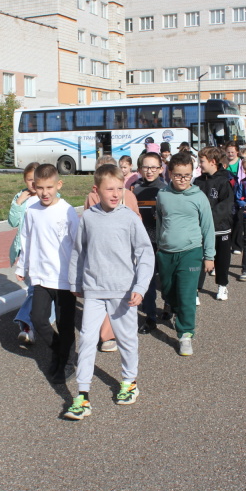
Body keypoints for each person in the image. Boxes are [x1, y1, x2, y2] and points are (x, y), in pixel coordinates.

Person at [65, 164, 155, 420]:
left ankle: (129, 382)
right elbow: (78, 252)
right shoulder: (89, 217)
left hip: (123, 291)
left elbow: (145, 254)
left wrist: (140, 287)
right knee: (87, 340)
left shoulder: (129, 218)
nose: (116, 194)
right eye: (110, 189)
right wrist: (75, 283)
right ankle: (82, 396)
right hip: (93, 290)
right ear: (96, 190)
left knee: (127, 339)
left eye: (120, 188)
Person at [15, 164, 79, 384]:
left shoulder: (68, 210)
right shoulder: (32, 210)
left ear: (58, 184)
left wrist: (78, 276)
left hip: (64, 279)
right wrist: (22, 267)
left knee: (65, 324)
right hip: (41, 276)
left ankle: (68, 362)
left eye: (49, 187)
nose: (45, 192)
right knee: (38, 319)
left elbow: (79, 244)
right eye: (40, 187)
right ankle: (60, 351)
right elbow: (26, 239)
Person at [156, 152, 215, 356]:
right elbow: (160, 222)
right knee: (168, 291)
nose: (182, 180)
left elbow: (208, 227)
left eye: (187, 175)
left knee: (187, 293)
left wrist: (209, 256)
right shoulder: (163, 195)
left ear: (192, 174)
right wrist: (158, 246)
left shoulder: (199, 197)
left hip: (191, 252)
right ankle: (174, 307)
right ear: (170, 173)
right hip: (166, 253)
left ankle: (186, 333)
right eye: (178, 175)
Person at [83, 156, 140, 352]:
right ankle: (105, 333)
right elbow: (89, 224)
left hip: (123, 255)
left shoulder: (129, 196)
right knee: (102, 293)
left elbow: (136, 220)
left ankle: (110, 334)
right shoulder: (91, 198)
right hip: (100, 256)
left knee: (117, 297)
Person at [132, 152, 168, 334]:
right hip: (142, 242)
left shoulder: (166, 189)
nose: (149, 171)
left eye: (154, 167)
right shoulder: (133, 188)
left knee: (167, 281)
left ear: (161, 169)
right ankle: (150, 317)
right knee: (147, 281)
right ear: (139, 169)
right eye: (146, 167)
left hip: (162, 241)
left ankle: (169, 305)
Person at [194, 147, 234, 302]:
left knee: (222, 259)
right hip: (201, 229)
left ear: (212, 162)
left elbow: (226, 204)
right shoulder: (198, 181)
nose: (200, 164)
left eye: (202, 161)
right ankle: (196, 290)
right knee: (199, 259)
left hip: (220, 228)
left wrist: (209, 220)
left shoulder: (224, 181)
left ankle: (222, 285)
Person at [8, 162, 40, 345]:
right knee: (34, 289)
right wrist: (19, 202)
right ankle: (29, 325)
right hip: (26, 252)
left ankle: (28, 325)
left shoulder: (52, 195)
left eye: (37, 179)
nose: (34, 184)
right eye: (30, 180)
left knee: (36, 290)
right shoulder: (22, 197)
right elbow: (12, 222)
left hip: (45, 252)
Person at [223, 143, 246, 255]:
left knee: (238, 219)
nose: (230, 154)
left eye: (232, 151)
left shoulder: (242, 163)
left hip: (239, 193)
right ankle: (228, 243)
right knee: (228, 219)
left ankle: (237, 245)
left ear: (237, 152)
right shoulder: (223, 163)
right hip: (227, 194)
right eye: (228, 152)